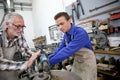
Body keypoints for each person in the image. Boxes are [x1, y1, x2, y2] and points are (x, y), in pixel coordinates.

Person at [48, 12, 97, 80]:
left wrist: (50, 63)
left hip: (87, 62)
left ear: (70, 20)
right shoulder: (66, 35)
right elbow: (60, 49)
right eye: (58, 25)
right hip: (77, 62)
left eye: (62, 24)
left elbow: (67, 50)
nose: (60, 27)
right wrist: (48, 59)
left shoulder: (80, 33)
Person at [0, 12, 40, 80]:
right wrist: (25, 64)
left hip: (10, 70)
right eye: (18, 26)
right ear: (7, 24)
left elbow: (26, 51)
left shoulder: (19, 35)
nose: (21, 30)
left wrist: (35, 55)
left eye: (22, 26)